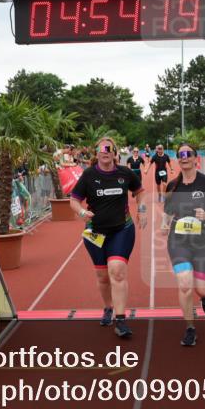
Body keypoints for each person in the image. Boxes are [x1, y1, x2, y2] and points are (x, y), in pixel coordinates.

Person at [69, 137, 146, 338]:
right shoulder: (88, 175)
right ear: (97, 153)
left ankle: (120, 320)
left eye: (109, 148)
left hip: (122, 229)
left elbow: (140, 192)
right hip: (95, 232)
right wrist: (82, 213)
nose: (105, 151)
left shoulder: (125, 173)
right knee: (103, 276)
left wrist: (143, 209)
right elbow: (74, 201)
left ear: (114, 152)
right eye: (101, 148)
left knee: (117, 271)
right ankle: (108, 307)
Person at [162, 143, 205, 347]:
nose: (184, 157)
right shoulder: (173, 186)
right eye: (180, 155)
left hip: (204, 241)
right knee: (184, 284)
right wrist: (164, 224)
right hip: (179, 240)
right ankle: (190, 328)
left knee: (200, 289)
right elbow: (167, 211)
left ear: (195, 158)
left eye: (187, 154)